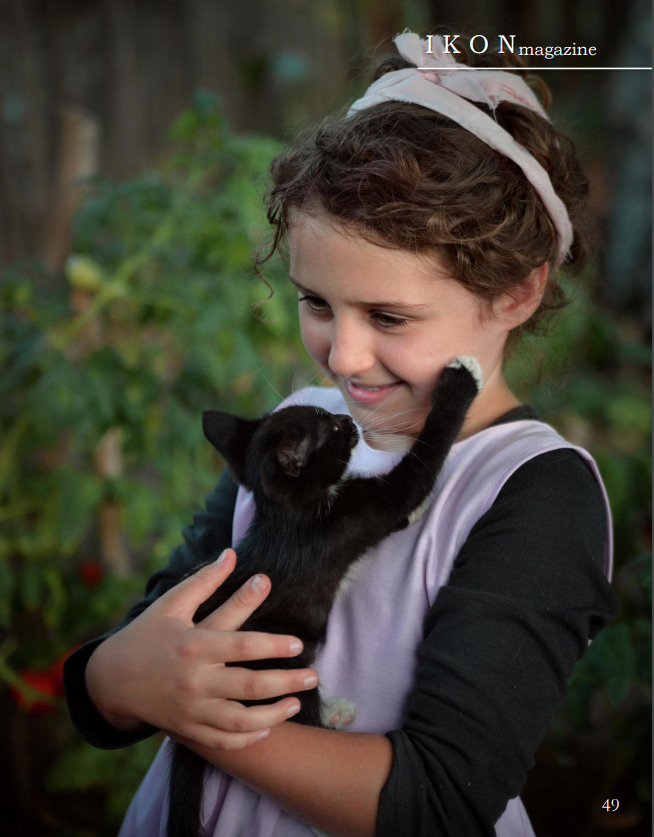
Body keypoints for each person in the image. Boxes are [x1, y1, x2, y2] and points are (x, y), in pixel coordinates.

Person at [63, 31, 617, 837]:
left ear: (517, 293)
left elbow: (440, 801)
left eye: (389, 316)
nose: (343, 355)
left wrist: (194, 715)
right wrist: (115, 679)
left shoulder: (534, 495)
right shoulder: (297, 437)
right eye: (315, 302)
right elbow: (139, 650)